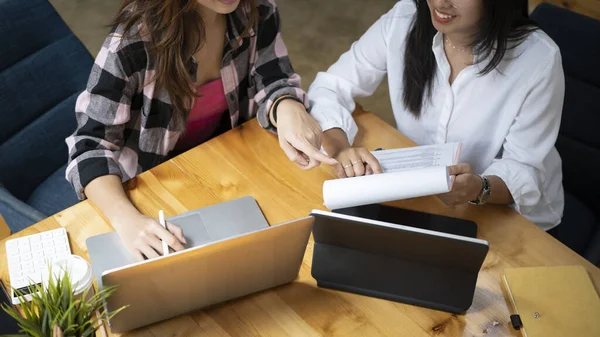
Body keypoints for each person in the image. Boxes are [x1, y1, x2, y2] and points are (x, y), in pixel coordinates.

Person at [65, 0, 335, 261]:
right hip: (150, 192)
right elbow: (90, 148)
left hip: (226, 172)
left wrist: (287, 104)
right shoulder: (129, 45)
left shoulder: (258, 10)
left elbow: (275, 78)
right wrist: (127, 219)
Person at [308, 0, 565, 231]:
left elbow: (525, 169)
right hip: (423, 197)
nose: (441, 3)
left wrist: (478, 188)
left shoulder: (537, 59)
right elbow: (330, 86)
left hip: (506, 214)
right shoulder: (404, 19)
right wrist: (340, 148)